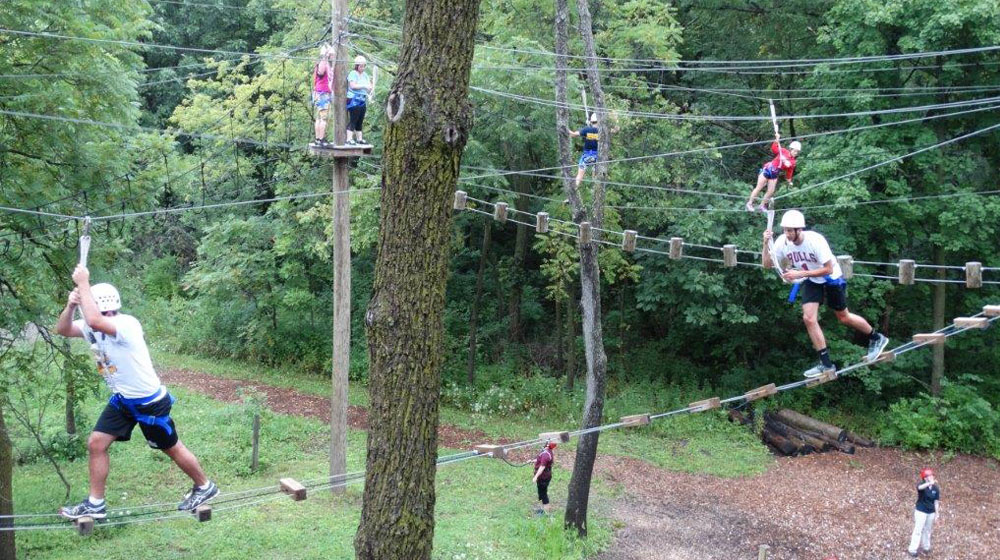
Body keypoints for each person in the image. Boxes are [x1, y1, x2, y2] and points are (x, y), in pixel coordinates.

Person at [54, 265, 218, 520]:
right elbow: (62, 329)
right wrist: (71, 305)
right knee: (96, 443)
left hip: (149, 403)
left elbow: (96, 320)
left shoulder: (126, 324)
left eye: (88, 305)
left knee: (171, 447)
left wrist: (83, 282)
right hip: (123, 400)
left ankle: (205, 487)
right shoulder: (89, 325)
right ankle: (95, 504)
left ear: (100, 306)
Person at [762, 210, 889, 377]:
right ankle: (826, 364)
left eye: (790, 230)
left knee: (843, 317)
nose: (786, 233)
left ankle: (876, 337)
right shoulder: (782, 242)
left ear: (799, 230)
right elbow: (766, 265)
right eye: (785, 230)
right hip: (812, 280)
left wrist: (800, 274)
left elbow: (828, 268)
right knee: (808, 318)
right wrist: (765, 243)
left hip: (831, 278)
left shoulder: (815, 240)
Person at [746, 134, 801, 212]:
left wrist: (789, 181)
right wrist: (776, 140)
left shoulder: (793, 162)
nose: (796, 153)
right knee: (759, 187)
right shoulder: (783, 151)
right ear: (791, 149)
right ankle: (749, 203)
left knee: (771, 191)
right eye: (795, 151)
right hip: (768, 169)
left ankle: (761, 205)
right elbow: (774, 148)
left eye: (797, 152)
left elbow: (789, 171)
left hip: (774, 173)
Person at [908, 468, 941, 557]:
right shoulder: (922, 485)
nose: (932, 477)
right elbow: (919, 488)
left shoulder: (936, 488)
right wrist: (929, 483)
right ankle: (912, 549)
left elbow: (936, 502)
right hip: (921, 511)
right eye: (929, 476)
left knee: (927, 530)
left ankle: (926, 547)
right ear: (925, 478)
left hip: (931, 512)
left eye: (932, 475)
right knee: (918, 530)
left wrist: (937, 514)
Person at [566, 113, 600, 189]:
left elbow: (573, 134)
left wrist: (565, 129)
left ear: (591, 121)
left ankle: (574, 189)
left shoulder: (586, 129)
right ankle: (595, 190)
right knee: (596, 176)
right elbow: (614, 130)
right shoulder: (602, 131)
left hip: (586, 156)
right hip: (597, 157)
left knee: (579, 176)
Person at [346, 55, 373, 146]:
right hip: (354, 99)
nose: (363, 68)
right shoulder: (353, 73)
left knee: (360, 120)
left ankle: (359, 139)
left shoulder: (365, 75)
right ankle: (349, 139)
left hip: (362, 99)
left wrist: (370, 88)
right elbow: (353, 86)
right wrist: (364, 86)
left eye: (364, 66)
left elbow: (368, 88)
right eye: (361, 66)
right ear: (357, 65)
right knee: (353, 119)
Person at [311, 44, 334, 147]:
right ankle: (320, 139)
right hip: (322, 94)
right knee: (323, 117)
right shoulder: (322, 62)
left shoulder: (325, 63)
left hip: (321, 93)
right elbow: (321, 72)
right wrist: (325, 56)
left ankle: (319, 139)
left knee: (320, 117)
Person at [532, 442, 556, 513]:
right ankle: (544, 509)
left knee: (543, 494)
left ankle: (547, 512)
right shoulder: (548, 452)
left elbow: (542, 466)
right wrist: (533, 461)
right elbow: (542, 460)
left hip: (543, 477)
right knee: (542, 493)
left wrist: (535, 477)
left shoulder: (546, 454)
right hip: (545, 476)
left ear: (547, 445)